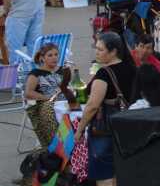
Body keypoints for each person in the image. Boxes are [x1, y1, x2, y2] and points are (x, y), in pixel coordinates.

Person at [75, 32, 137, 186]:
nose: (96, 52)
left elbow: (92, 106)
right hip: (129, 125)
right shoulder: (131, 68)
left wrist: (80, 129)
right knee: (121, 170)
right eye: (96, 48)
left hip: (105, 130)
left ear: (113, 51)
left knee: (104, 172)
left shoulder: (104, 74)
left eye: (101, 49)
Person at [24, 43, 64, 148]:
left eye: (56, 54)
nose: (54, 58)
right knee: (49, 108)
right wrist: (48, 98)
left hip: (63, 103)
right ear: (42, 58)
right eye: (50, 55)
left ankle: (75, 146)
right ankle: (56, 146)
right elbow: (28, 93)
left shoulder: (62, 70)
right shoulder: (36, 73)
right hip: (43, 105)